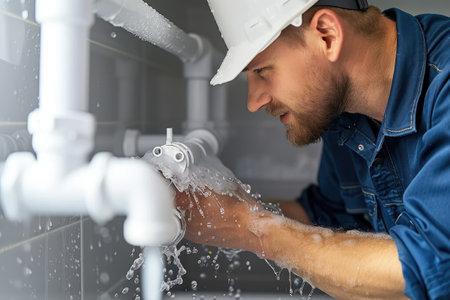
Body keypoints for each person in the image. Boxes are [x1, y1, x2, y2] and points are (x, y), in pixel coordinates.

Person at [173, 0, 450, 299]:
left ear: (327, 35)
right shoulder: (341, 110)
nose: (253, 102)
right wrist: (224, 208)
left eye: (263, 71)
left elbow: (431, 267)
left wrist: (250, 227)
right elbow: (330, 219)